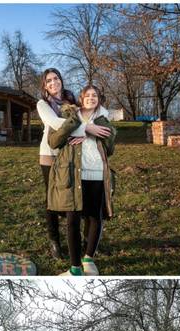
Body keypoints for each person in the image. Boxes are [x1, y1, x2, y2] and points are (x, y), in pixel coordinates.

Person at [47, 85, 116, 276]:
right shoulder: (69, 116)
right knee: (72, 221)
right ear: (81, 98)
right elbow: (53, 141)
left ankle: (88, 259)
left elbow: (110, 149)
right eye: (88, 95)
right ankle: (75, 268)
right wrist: (79, 127)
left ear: (99, 99)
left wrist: (88, 133)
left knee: (95, 217)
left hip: (97, 174)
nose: (91, 98)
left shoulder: (104, 119)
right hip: (72, 174)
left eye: (95, 95)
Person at [36, 68, 78, 260]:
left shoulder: (72, 101)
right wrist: (81, 125)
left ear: (61, 80)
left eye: (56, 79)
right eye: (49, 80)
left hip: (70, 154)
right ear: (45, 85)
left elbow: (86, 116)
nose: (53, 83)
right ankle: (54, 241)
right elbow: (54, 122)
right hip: (50, 155)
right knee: (52, 200)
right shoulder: (43, 104)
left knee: (73, 197)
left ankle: (77, 240)